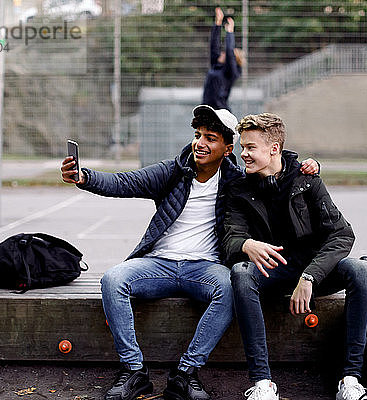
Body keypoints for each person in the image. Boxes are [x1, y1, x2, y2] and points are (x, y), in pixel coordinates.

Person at [60, 106, 319, 400]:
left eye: (210, 138)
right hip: (158, 263)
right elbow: (123, 182)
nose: (200, 143)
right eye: (197, 135)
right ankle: (134, 372)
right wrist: (84, 177)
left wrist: (306, 165)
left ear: (227, 148)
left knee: (231, 285)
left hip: (205, 269)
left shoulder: (238, 181)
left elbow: (273, 165)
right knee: (113, 280)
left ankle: (185, 373)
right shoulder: (173, 171)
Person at [223, 113, 367, 400]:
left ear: (274, 149)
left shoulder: (307, 181)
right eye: (243, 147)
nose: (244, 154)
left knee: (360, 270)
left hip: (313, 271)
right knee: (241, 272)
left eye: (250, 147)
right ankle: (263, 384)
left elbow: (342, 234)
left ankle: (351, 380)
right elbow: (230, 238)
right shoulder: (239, 190)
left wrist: (310, 276)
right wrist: (246, 245)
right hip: (272, 272)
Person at [202, 7, 245, 111]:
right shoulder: (216, 66)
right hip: (207, 109)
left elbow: (230, 51)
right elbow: (214, 47)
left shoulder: (230, 72)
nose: (221, 53)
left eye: (225, 54)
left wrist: (230, 32)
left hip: (220, 112)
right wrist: (218, 23)